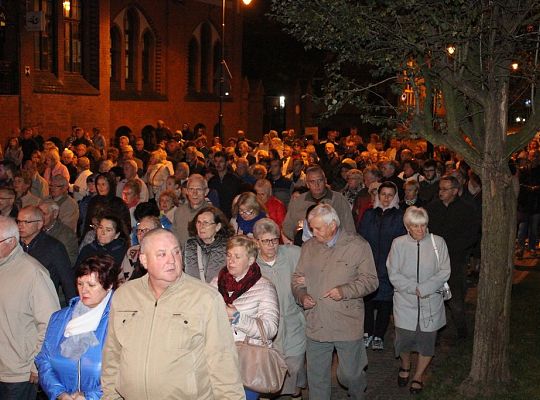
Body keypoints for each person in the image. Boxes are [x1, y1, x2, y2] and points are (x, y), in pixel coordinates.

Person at [101, 228, 245, 399]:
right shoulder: (124, 296)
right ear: (144, 260)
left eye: (176, 252)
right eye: (162, 254)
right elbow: (112, 355)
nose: (172, 260)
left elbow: (223, 365)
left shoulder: (205, 298)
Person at [292, 203, 378, 400]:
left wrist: (345, 291)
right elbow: (296, 279)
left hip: (346, 322)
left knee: (349, 375)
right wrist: (302, 296)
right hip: (316, 322)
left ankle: (357, 392)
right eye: (311, 228)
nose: (313, 233)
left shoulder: (358, 246)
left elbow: (371, 281)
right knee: (317, 379)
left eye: (317, 228)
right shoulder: (309, 247)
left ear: (332, 225)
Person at [35, 256, 119, 400]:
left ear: (109, 285)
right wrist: (59, 394)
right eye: (80, 284)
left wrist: (90, 397)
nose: (83, 290)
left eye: (91, 285)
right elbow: (44, 360)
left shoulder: (119, 319)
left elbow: (124, 371)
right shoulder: (59, 318)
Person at [387, 206, 451, 394]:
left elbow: (444, 271)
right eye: (415, 226)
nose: (420, 230)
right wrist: (411, 288)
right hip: (405, 301)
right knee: (404, 340)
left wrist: (424, 288)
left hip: (430, 300)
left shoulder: (437, 242)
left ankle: (418, 375)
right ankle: (405, 365)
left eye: (423, 225)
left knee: (426, 341)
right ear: (408, 226)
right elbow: (393, 272)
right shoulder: (398, 243)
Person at [210, 235, 279, 400]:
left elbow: (270, 329)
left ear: (250, 260)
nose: (231, 261)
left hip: (247, 363)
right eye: (229, 255)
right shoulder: (216, 282)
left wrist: (237, 318)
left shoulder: (264, 287)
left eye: (237, 256)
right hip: (218, 359)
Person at [0, 216, 60, 400]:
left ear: (10, 242)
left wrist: (37, 365)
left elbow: (51, 323)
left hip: (18, 373)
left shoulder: (33, 273)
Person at [253, 218, 306, 398]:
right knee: (270, 374)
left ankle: (295, 393)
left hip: (294, 322)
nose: (272, 245)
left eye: (275, 239)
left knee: (295, 366)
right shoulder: (252, 265)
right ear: (256, 242)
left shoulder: (293, 254)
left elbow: (315, 268)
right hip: (268, 330)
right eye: (266, 241)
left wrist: (309, 279)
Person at [426, 175, 480, 339]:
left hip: (455, 261)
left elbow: (471, 235)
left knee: (455, 300)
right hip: (433, 261)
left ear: (455, 191)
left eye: (445, 189)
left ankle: (462, 334)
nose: (440, 192)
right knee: (433, 300)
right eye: (440, 188)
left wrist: (452, 250)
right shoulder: (433, 208)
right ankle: (433, 336)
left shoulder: (467, 209)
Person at [358, 181, 406, 350]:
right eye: (383, 194)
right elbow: (361, 237)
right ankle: (367, 332)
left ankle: (379, 334)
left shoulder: (400, 217)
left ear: (395, 197)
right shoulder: (369, 214)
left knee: (385, 302)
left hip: (389, 265)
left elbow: (402, 242)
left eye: (390, 195)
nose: (386, 198)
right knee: (368, 301)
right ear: (378, 195)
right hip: (369, 264)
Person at [18, 206, 77, 303]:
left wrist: (73, 310)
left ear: (39, 224)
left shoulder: (54, 247)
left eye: (26, 222)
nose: (20, 226)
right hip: (18, 299)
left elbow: (67, 281)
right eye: (19, 221)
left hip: (43, 300)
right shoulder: (14, 244)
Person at [282, 165, 356, 240]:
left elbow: (349, 229)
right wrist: (298, 236)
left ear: (325, 181)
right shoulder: (299, 201)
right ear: (307, 184)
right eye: (312, 181)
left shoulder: (339, 200)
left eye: (320, 180)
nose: (316, 185)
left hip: (333, 246)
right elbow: (287, 226)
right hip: (305, 246)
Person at [183, 206, 234, 283]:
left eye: (206, 223)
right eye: (198, 222)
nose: (201, 226)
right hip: (194, 292)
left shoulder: (229, 247)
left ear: (217, 227)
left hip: (218, 293)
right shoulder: (189, 246)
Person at [172, 173, 212, 248]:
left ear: (206, 192)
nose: (194, 193)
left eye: (198, 189)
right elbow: (174, 237)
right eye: (191, 189)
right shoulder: (179, 211)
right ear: (186, 191)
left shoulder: (212, 213)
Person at [119, 215, 161, 283]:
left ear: (157, 232)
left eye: (146, 230)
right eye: (139, 231)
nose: (141, 234)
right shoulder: (132, 252)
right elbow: (121, 278)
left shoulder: (163, 254)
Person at [39, 199, 79, 267]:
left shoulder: (66, 234)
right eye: (39, 214)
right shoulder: (36, 229)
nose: (40, 217)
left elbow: (68, 261)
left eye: (44, 214)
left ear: (55, 214)